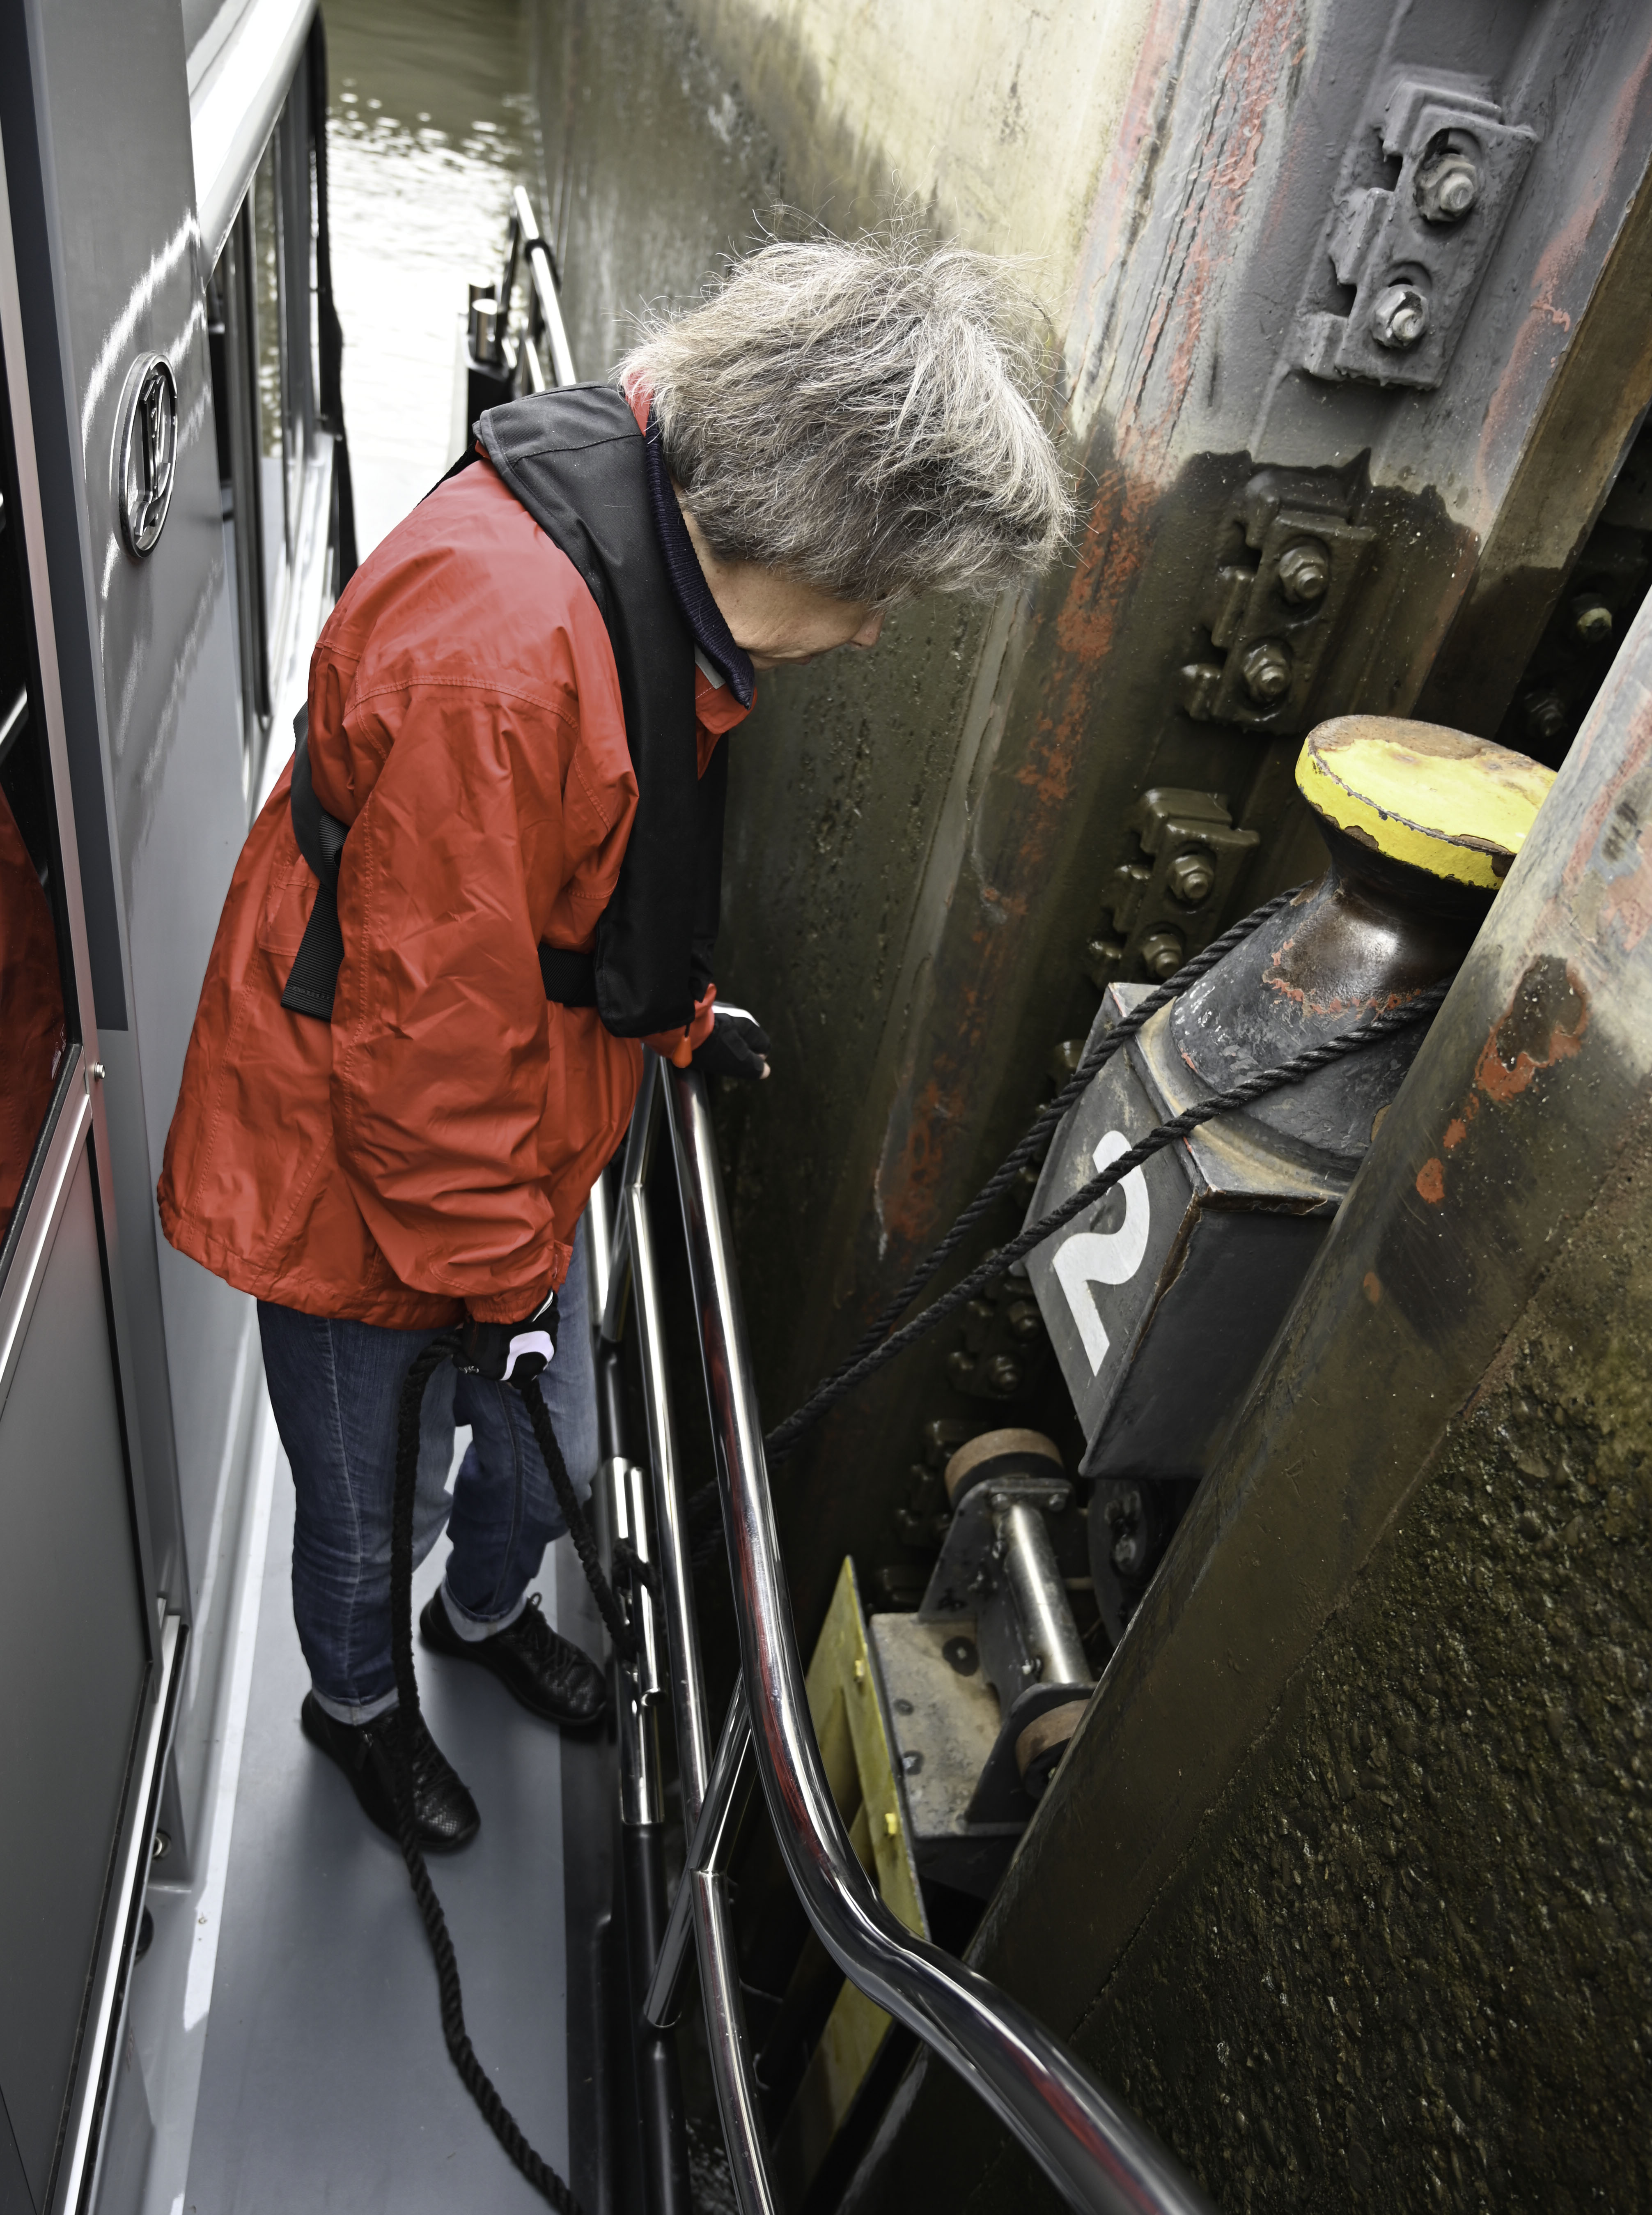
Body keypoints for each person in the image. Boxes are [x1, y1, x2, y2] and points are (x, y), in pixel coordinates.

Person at [158, 230, 1071, 1852]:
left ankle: (483, 1613)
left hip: (501, 1155)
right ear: (798, 525)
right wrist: (507, 1284)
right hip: (361, 1175)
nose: (874, 632)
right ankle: (355, 1704)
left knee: (548, 1451)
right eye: (876, 592)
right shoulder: (506, 664)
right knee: (371, 1500)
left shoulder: (645, 554)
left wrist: (679, 1021)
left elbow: (586, 889)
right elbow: (420, 1042)